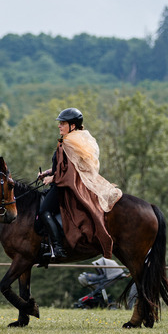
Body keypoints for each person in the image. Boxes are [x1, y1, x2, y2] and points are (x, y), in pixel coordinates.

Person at [36, 108, 122, 259]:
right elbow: (65, 165)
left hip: (65, 186)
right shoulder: (77, 139)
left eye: (63, 123)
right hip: (65, 181)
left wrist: (53, 178)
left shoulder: (69, 143)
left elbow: (70, 172)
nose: (59, 126)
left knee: (44, 211)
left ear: (73, 126)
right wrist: (47, 173)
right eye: (60, 123)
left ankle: (58, 248)